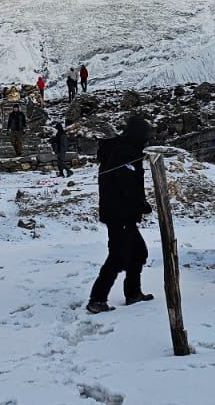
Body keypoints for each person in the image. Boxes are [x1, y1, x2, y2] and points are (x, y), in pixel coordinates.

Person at [87, 114, 155, 314]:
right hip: (119, 213)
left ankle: (133, 293)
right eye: (145, 134)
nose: (147, 139)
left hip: (121, 213)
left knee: (138, 252)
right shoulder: (124, 152)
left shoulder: (125, 150)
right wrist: (140, 204)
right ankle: (97, 299)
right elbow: (125, 183)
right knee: (118, 256)